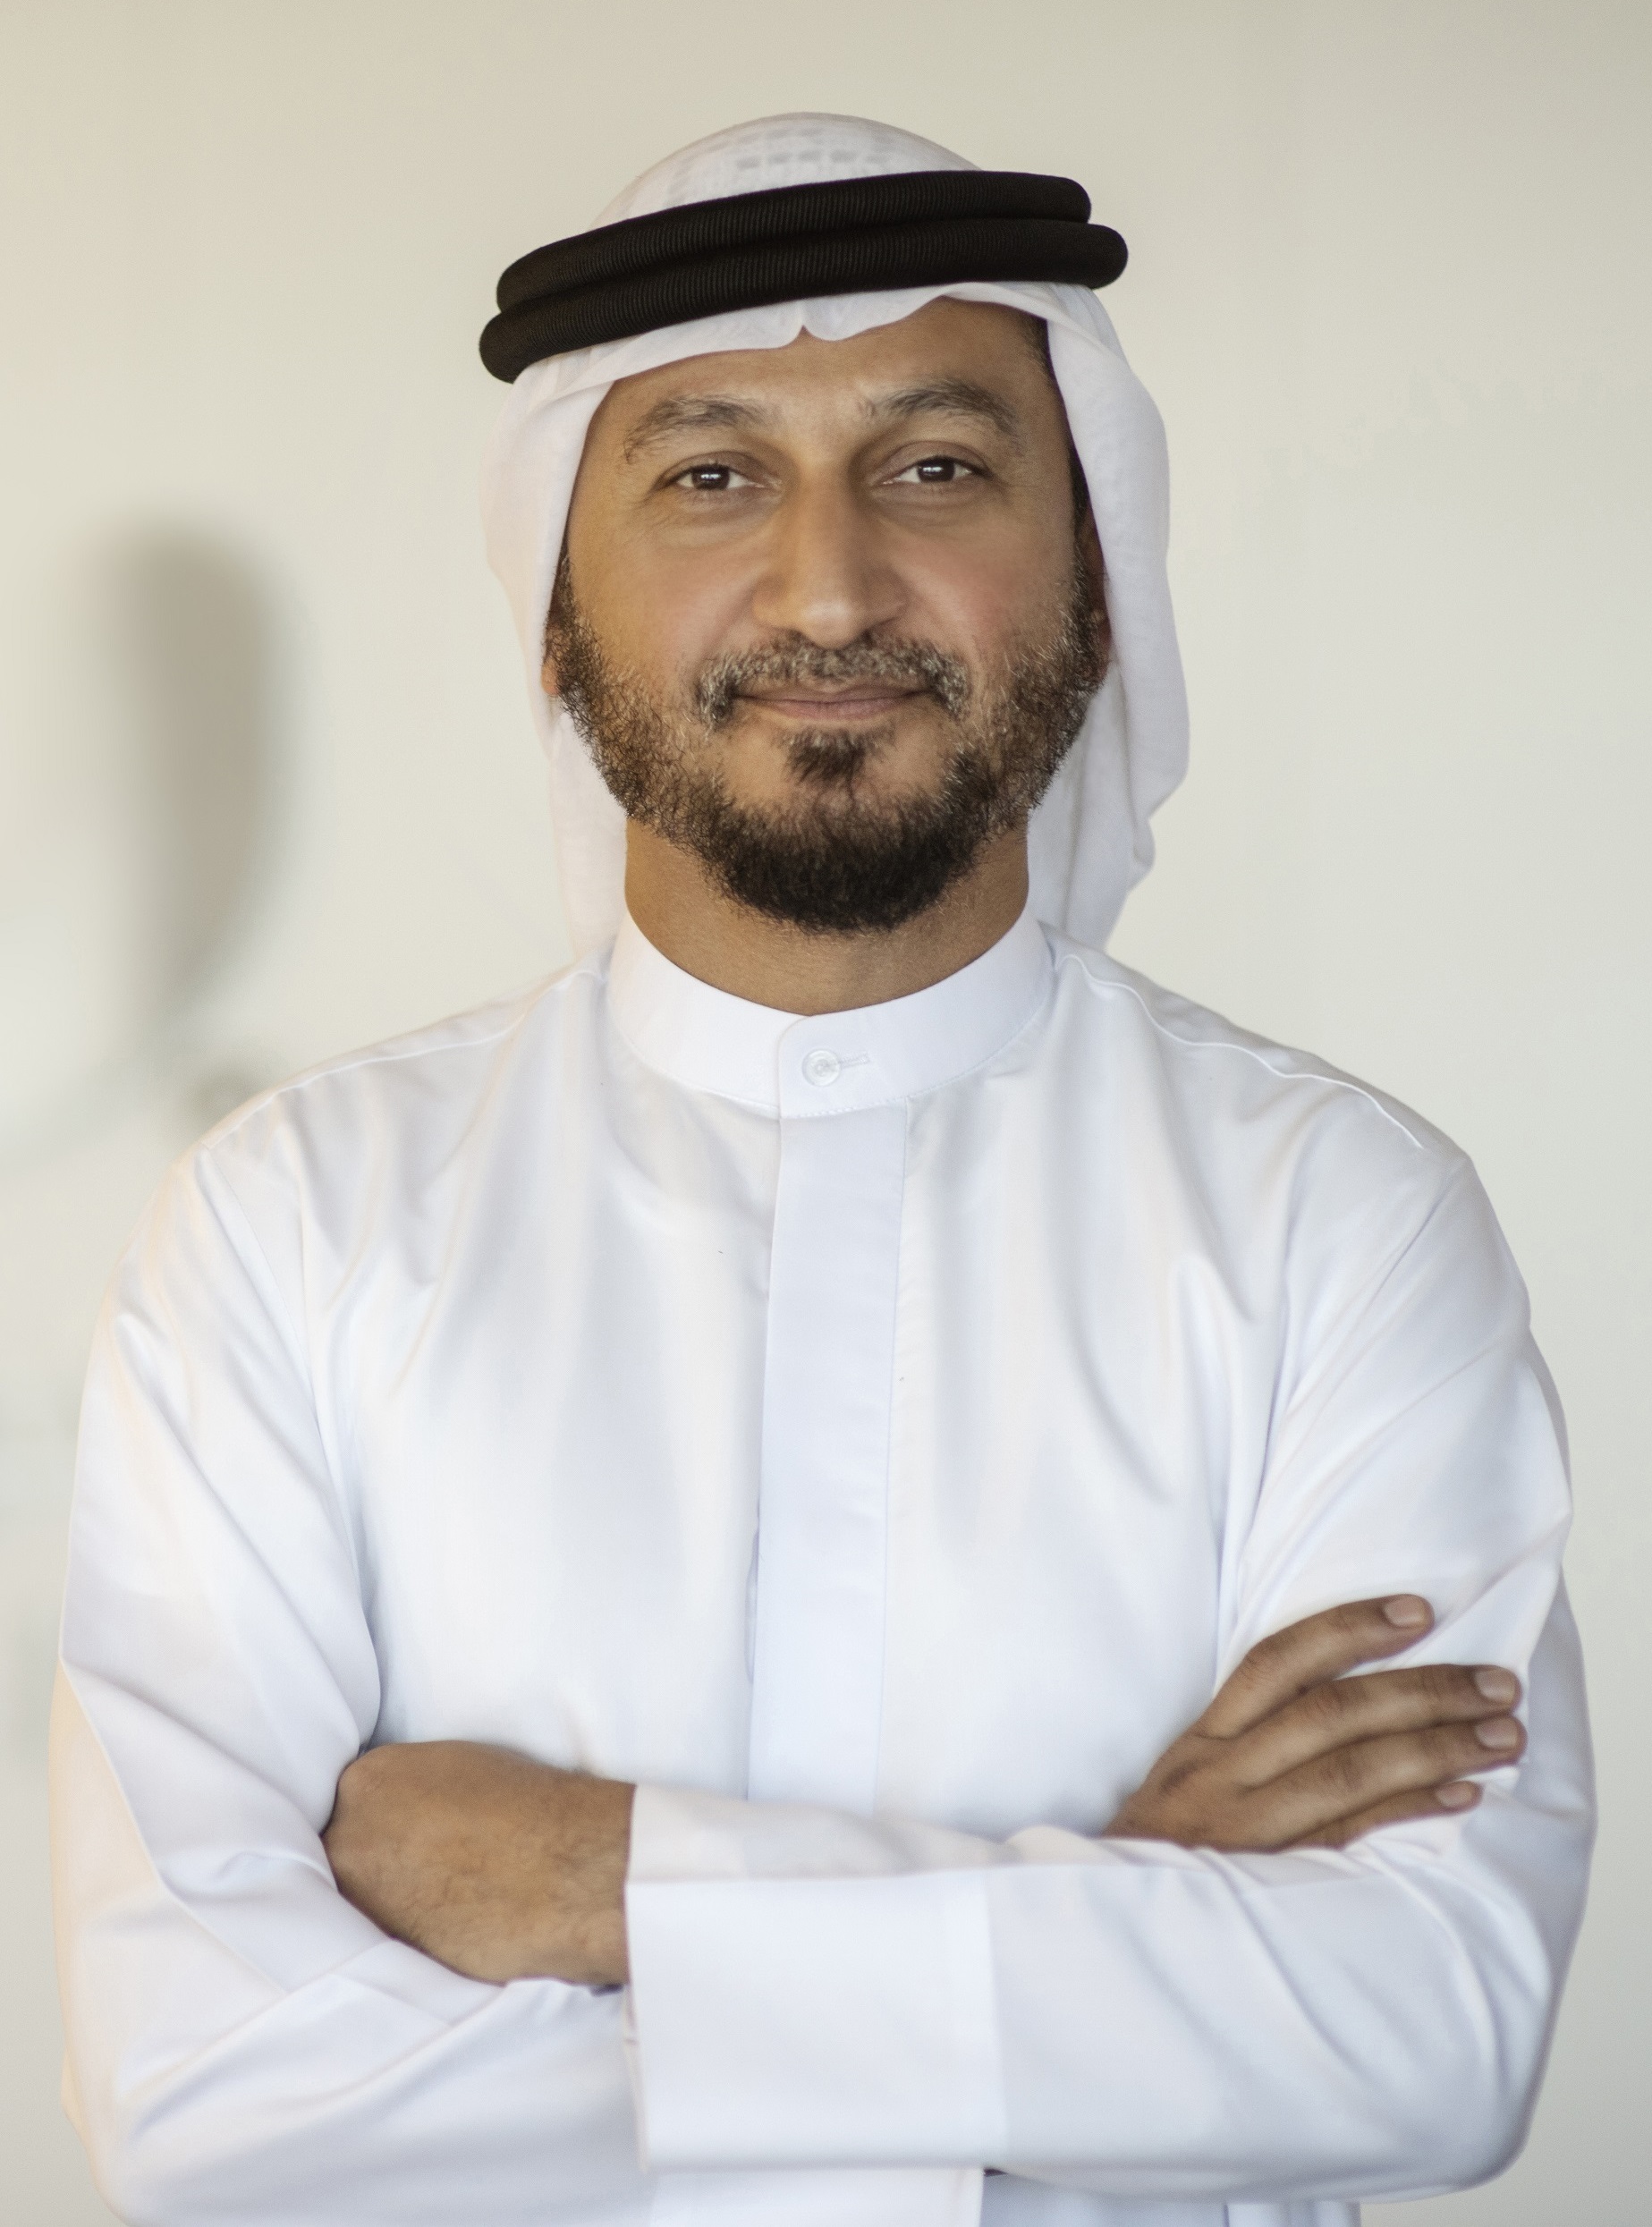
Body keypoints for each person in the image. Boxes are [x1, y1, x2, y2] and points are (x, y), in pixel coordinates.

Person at [52, 114, 1593, 2227]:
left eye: (937, 467)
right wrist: (1125, 1932)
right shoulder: (290, 1225)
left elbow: (1424, 2031)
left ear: (1099, 583)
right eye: (710, 477)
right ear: (555, 614)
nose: (831, 587)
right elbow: (215, 2105)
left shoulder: (1337, 1215)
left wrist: (610, 1881)